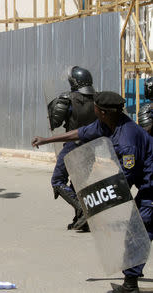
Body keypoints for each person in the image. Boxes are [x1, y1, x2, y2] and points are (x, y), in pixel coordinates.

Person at [32, 91, 153, 293]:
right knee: (140, 230)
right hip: (148, 187)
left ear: (102, 111)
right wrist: (46, 140)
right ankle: (130, 282)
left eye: (95, 107)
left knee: (139, 229)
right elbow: (80, 133)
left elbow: (125, 180)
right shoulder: (107, 124)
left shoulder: (127, 138)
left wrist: (101, 208)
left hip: (150, 189)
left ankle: (130, 284)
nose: (92, 109)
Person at [48, 66, 97, 230]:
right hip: (92, 147)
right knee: (79, 183)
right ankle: (82, 220)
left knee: (57, 180)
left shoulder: (68, 99)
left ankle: (82, 210)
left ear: (74, 81)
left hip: (73, 145)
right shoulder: (98, 99)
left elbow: (55, 122)